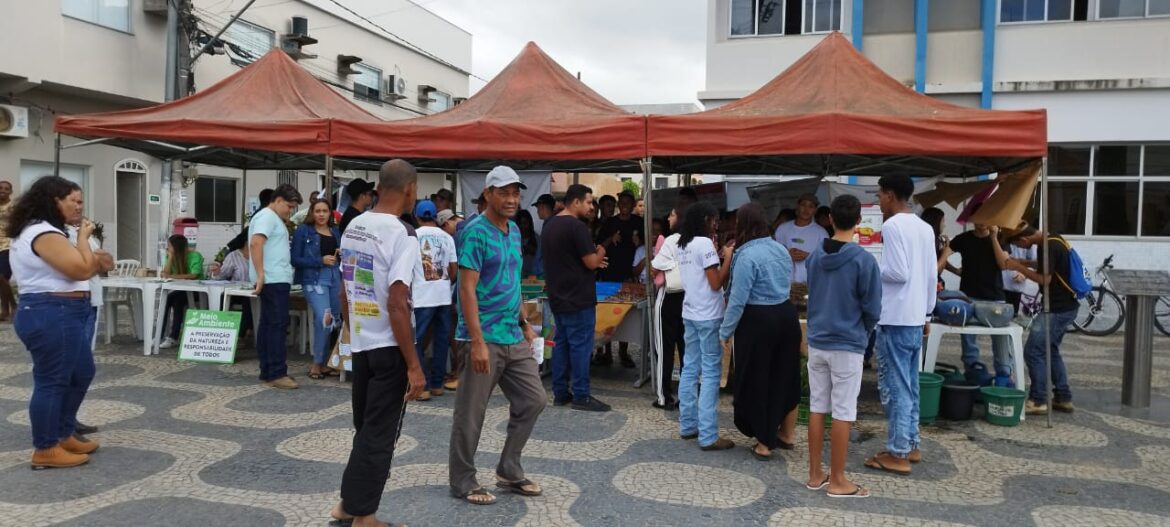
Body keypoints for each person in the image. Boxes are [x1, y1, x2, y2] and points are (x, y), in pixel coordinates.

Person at [331, 159, 427, 527]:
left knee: (366, 429)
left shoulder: (355, 225)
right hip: (390, 347)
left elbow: (345, 291)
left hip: (363, 344)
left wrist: (355, 333)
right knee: (380, 434)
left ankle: (346, 506)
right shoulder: (402, 234)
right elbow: (397, 301)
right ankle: (365, 516)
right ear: (410, 189)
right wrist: (414, 364)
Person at [450, 165, 544, 505]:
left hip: (511, 334)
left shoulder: (514, 232)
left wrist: (524, 324)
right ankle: (463, 480)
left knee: (534, 400)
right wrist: (476, 342)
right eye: (503, 192)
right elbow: (467, 289)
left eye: (516, 192)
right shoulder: (475, 232)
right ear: (487, 193)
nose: (511, 198)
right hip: (482, 336)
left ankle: (508, 467)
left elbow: (511, 281)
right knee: (471, 412)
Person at [9, 176, 111, 469]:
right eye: (74, 201)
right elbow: (81, 269)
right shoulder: (42, 232)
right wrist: (84, 243)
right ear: (54, 201)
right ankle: (45, 447)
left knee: (81, 372)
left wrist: (91, 258)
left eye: (81, 201)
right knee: (52, 380)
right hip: (51, 310)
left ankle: (63, 432)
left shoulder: (51, 231)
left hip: (64, 309)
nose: (79, 207)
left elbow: (92, 265)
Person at [804, 195, 882, 498]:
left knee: (816, 406)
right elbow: (873, 308)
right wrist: (862, 332)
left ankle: (815, 475)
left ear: (830, 219)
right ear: (859, 221)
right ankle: (837, 480)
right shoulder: (864, 260)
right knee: (843, 410)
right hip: (848, 342)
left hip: (818, 339)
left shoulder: (813, 256)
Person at [864, 175, 936, 476]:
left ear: (891, 195)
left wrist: (871, 265)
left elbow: (897, 272)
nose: (879, 200)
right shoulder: (924, 227)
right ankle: (910, 443)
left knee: (897, 387)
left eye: (880, 195)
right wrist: (929, 314)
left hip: (895, 316)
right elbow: (931, 275)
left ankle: (898, 452)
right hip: (916, 314)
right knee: (910, 384)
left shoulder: (893, 226)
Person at [719, 203, 800, 460]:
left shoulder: (746, 255)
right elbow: (785, 284)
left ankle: (764, 443)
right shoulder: (780, 249)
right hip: (787, 317)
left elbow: (738, 299)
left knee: (758, 380)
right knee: (784, 377)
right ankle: (786, 434)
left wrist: (725, 331)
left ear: (743, 224)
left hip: (758, 321)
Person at [541, 184, 611, 412]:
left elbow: (568, 258)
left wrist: (590, 258)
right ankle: (581, 395)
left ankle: (560, 393)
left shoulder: (550, 224)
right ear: (576, 202)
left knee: (561, 344)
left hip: (557, 296)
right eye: (589, 202)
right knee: (581, 347)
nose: (592, 207)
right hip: (578, 297)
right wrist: (600, 251)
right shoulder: (576, 226)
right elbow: (590, 262)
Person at [997, 226, 1078, 415]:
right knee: (1051, 350)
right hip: (1067, 306)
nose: (1020, 247)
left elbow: (1044, 279)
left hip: (1056, 309)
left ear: (1024, 241)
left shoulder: (1046, 247)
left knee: (1033, 351)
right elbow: (1046, 265)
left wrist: (1018, 267)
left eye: (1018, 245)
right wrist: (1024, 261)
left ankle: (1039, 399)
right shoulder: (1055, 239)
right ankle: (1063, 397)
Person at [676, 202, 734, 451]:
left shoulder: (683, 243)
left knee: (689, 367)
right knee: (710, 374)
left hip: (690, 312)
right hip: (709, 315)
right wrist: (728, 259)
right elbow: (715, 282)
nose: (716, 224)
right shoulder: (704, 244)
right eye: (714, 220)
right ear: (706, 220)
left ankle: (688, 425)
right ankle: (708, 435)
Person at [250, 184, 303, 390]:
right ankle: (276, 372)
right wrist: (261, 274)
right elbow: (256, 243)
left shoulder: (271, 218)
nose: (290, 211)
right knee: (277, 326)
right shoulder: (267, 217)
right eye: (289, 206)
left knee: (269, 325)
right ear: (278, 200)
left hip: (274, 278)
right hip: (272, 279)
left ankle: (268, 370)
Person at [947, 222, 1014, 383]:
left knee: (1001, 339)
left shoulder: (1000, 238)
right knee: (968, 337)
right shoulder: (963, 238)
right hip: (968, 296)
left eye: (987, 217)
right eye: (979, 217)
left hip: (995, 296)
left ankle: (1004, 374)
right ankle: (972, 369)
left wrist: (993, 238)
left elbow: (1003, 264)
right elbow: (943, 253)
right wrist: (955, 270)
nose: (983, 222)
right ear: (973, 219)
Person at [412, 199, 458, 401]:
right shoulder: (447, 237)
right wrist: (446, 282)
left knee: (416, 341)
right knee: (441, 340)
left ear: (417, 216)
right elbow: (454, 267)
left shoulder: (412, 236)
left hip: (421, 296)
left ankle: (423, 386)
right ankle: (438, 383)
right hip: (443, 295)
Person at [292, 199, 343, 380]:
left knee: (335, 320)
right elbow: (295, 259)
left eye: (325, 211)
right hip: (314, 279)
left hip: (335, 277)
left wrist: (342, 255)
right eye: (317, 211)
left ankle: (330, 361)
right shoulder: (302, 231)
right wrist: (319, 260)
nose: (321, 214)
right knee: (324, 318)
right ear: (311, 213)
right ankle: (316, 363)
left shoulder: (335, 232)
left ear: (330, 213)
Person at [594, 191, 643, 367]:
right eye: (620, 202)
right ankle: (606, 352)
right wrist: (610, 238)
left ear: (632, 205)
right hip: (608, 274)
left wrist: (640, 242)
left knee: (626, 316)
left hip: (629, 274)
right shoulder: (610, 222)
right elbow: (599, 245)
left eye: (627, 202)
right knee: (607, 315)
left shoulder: (639, 222)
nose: (623, 205)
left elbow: (646, 246)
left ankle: (624, 352)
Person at [651, 206, 687, 410]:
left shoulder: (671, 240)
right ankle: (686, 396)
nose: (668, 217)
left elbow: (655, 266)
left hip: (669, 297)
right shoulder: (700, 240)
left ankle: (664, 397)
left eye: (672, 214)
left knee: (664, 348)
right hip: (690, 299)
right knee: (686, 349)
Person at [157, 235, 204, 349]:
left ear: (176, 247)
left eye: (169, 246)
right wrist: (171, 257)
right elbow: (164, 274)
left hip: (198, 291)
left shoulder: (195, 256)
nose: (167, 248)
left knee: (177, 301)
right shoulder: (172, 257)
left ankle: (173, 337)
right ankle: (159, 334)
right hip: (182, 290)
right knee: (167, 299)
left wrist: (172, 276)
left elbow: (194, 275)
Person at [773, 193, 828, 285]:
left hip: (810, 283)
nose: (806, 209)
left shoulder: (821, 233)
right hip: (785, 282)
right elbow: (774, 254)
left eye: (811, 206)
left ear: (815, 211)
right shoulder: (782, 228)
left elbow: (826, 260)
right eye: (803, 205)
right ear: (797, 207)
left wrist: (808, 256)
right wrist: (787, 255)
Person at [211, 243, 253, 339]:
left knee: (249, 300)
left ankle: (241, 335)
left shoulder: (265, 253)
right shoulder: (233, 255)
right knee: (223, 297)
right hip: (237, 290)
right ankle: (219, 332)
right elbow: (223, 275)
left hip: (255, 291)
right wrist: (217, 272)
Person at [0, 180, 16, 321]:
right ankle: (5, 311)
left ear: (10, 191)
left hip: (8, 244)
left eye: (6, 188)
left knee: (2, 276)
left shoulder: (14, 206)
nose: (3, 190)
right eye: (1, 188)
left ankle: (13, 306)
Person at [515, 210, 543, 279]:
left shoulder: (538, 240)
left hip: (536, 278)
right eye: (520, 224)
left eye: (525, 223)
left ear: (530, 224)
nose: (522, 227)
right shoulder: (513, 239)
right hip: (518, 278)